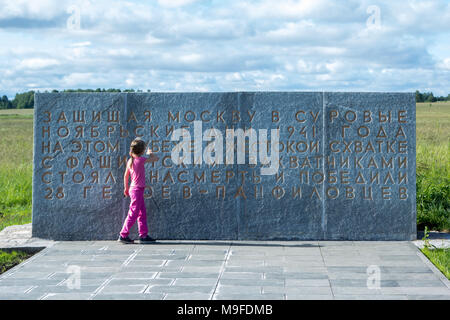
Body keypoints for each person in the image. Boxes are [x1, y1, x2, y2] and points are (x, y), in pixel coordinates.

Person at [118, 138, 159, 244]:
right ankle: (123, 234)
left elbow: (126, 176)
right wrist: (150, 153)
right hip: (137, 190)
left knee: (141, 213)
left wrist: (126, 188)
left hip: (134, 189)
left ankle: (143, 235)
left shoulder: (130, 161)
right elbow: (155, 158)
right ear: (141, 151)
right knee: (133, 213)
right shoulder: (140, 160)